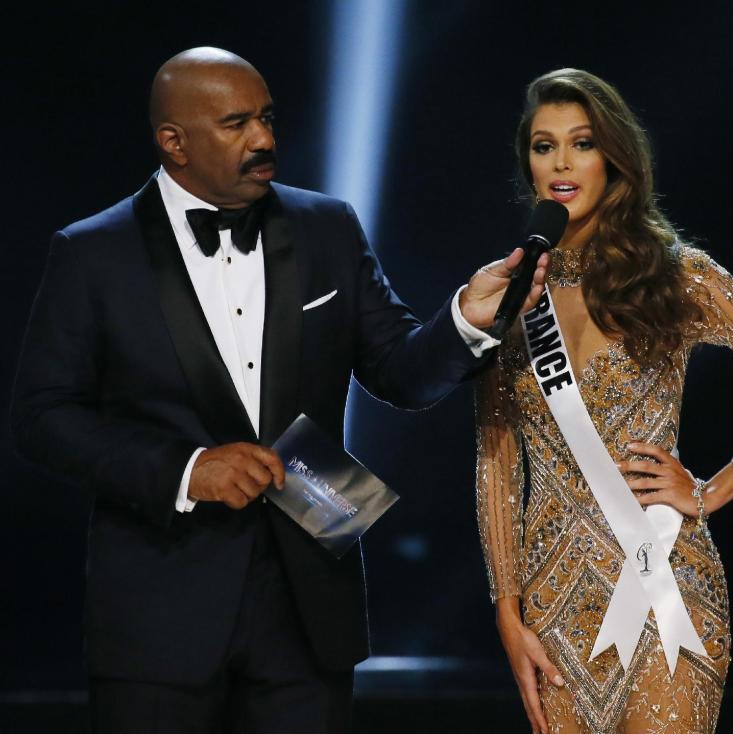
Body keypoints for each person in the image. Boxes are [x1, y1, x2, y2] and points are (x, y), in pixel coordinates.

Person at [11, 47, 547, 733]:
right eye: (236, 123)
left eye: (266, 117)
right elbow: (41, 418)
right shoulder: (92, 252)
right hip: (159, 612)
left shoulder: (326, 227)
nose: (264, 139)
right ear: (173, 142)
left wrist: (465, 322)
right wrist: (185, 469)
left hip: (306, 611)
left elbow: (400, 373)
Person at [475, 68, 733, 734]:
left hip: (662, 584)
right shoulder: (505, 293)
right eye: (543, 145)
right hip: (553, 602)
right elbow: (496, 462)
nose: (560, 161)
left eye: (581, 142)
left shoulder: (678, 274)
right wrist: (507, 612)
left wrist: (710, 491)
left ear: (613, 155)